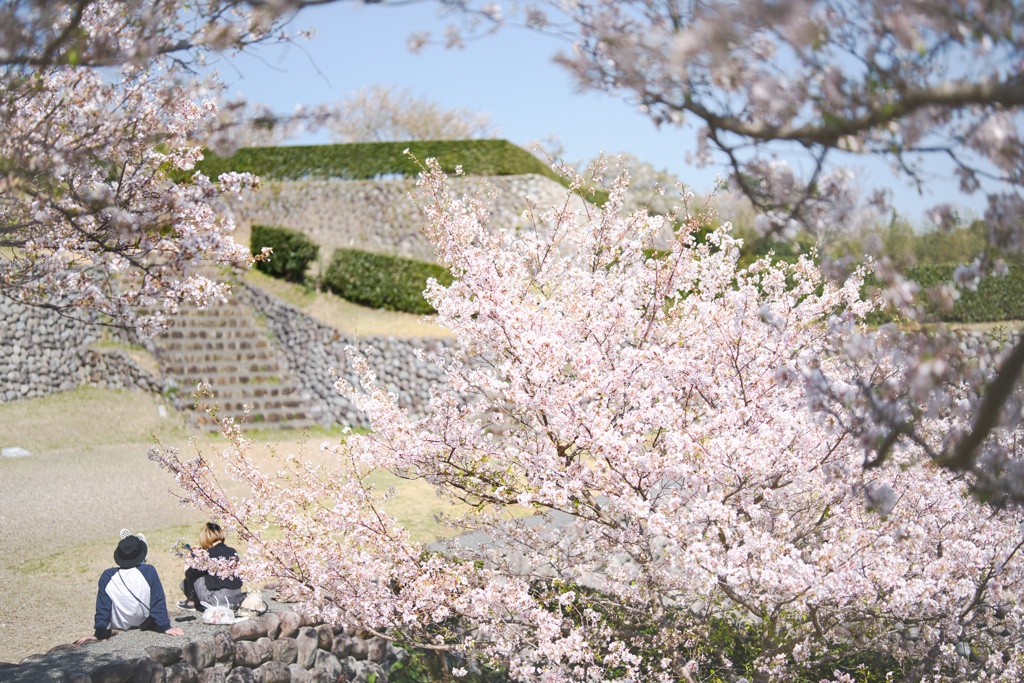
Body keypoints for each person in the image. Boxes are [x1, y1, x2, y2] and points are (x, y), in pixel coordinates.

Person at [75, 532, 184, 643]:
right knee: (144, 572)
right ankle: (141, 560)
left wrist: (98, 633)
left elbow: (103, 608)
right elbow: (157, 601)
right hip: (143, 623)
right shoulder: (149, 571)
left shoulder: (107, 576)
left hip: (119, 626)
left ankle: (133, 555)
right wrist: (166, 627)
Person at [178, 522, 244, 612]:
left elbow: (189, 575)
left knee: (196, 573)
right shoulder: (232, 551)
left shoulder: (207, 555)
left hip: (217, 602)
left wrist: (190, 559)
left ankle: (192, 602)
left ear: (205, 538)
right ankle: (193, 602)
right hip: (237, 600)